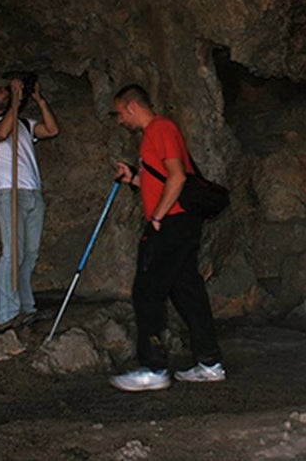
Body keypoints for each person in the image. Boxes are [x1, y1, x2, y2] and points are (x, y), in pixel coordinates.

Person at [108, 83, 226, 392]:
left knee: (147, 290)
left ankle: (154, 369)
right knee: (187, 291)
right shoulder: (155, 135)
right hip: (179, 223)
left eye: (121, 114)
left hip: (172, 223)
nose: (121, 121)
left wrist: (157, 217)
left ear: (132, 107)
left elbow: (177, 176)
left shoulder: (160, 128)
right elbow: (161, 180)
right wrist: (132, 178)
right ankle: (210, 364)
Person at [0, 76, 60, 331]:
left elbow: (52, 130)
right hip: (10, 192)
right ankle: (6, 313)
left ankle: (26, 307)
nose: (4, 93)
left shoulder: (24, 123)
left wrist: (39, 100)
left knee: (30, 254)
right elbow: (0, 134)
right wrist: (15, 101)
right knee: (12, 253)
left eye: (6, 89)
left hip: (33, 192)